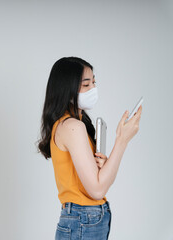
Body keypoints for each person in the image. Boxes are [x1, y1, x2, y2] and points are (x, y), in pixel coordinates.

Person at [38, 57, 142, 239]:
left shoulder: (72, 125)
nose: (93, 89)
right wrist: (122, 140)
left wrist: (106, 164)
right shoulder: (72, 127)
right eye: (86, 85)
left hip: (84, 219)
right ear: (67, 90)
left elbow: (99, 184)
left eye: (94, 82)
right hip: (83, 220)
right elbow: (97, 190)